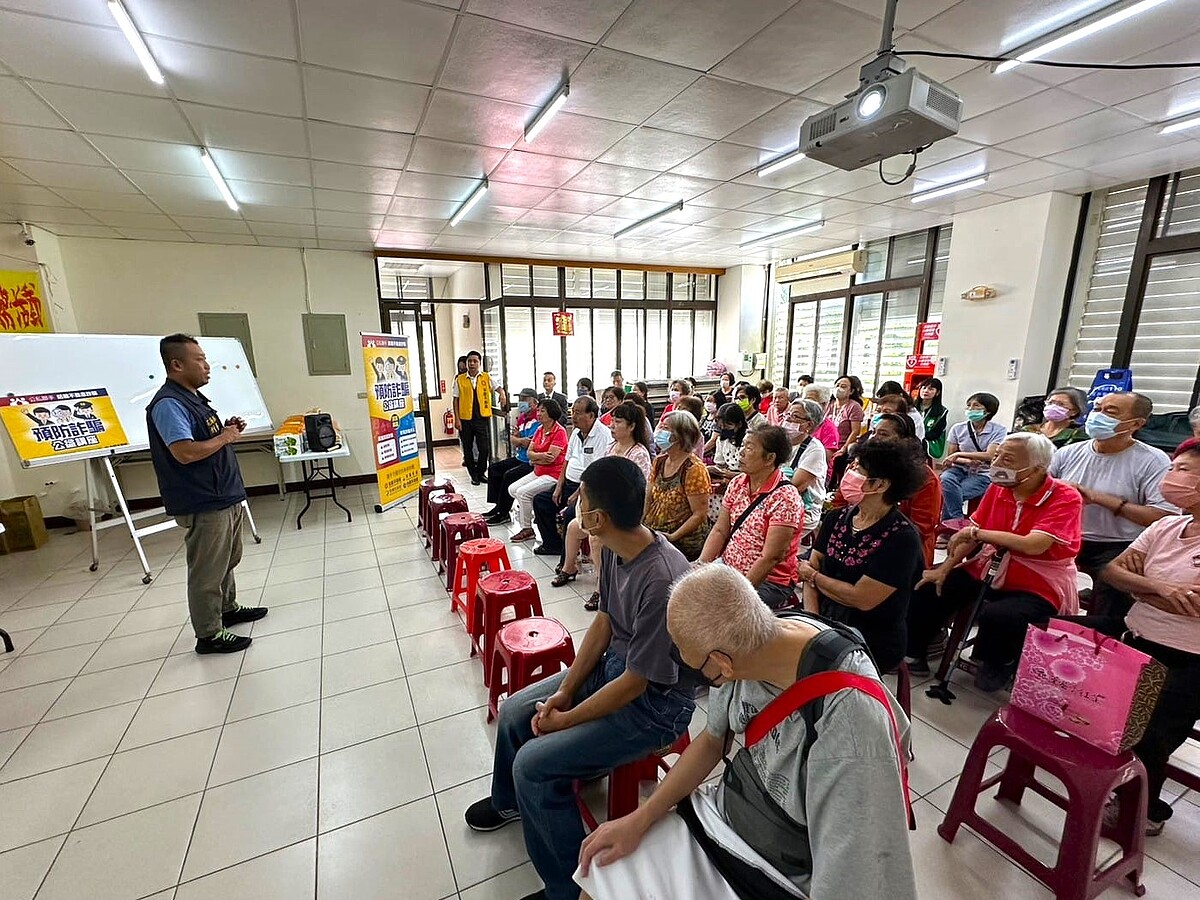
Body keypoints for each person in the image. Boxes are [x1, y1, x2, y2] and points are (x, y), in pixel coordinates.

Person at [576, 564, 917, 900]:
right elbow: (712, 741)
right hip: (727, 813)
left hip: (779, 870)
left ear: (723, 664)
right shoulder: (751, 644)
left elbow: (853, 875)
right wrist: (640, 819)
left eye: (697, 668)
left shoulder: (851, 727)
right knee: (600, 873)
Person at [465, 457, 698, 900]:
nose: (573, 504)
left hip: (655, 707)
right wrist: (567, 689)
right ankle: (510, 802)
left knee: (532, 765)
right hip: (617, 668)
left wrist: (565, 720)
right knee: (517, 710)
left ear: (598, 518)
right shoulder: (612, 548)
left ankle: (569, 890)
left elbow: (636, 683)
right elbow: (605, 621)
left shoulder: (664, 575)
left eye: (581, 499)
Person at [1079, 442, 1200, 836]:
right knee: (1055, 636)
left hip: (1186, 657)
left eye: (1183, 469)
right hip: (1138, 636)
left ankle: (1141, 812)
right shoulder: (1168, 525)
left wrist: (1141, 587)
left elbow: (1194, 606)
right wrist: (1160, 590)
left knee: (1150, 736)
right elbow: (1112, 571)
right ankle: (1101, 768)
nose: (1171, 476)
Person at [909, 432, 1084, 691]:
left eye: (1008, 459)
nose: (997, 462)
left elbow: (1033, 544)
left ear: (1036, 468)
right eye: (998, 455)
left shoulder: (1065, 497)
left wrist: (978, 533)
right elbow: (970, 535)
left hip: (1038, 581)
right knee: (929, 585)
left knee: (1000, 616)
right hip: (990, 566)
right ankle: (917, 650)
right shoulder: (998, 488)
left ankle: (999, 663)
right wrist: (945, 568)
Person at [147, 334, 266, 654]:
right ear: (176, 364)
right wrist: (225, 437)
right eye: (199, 359)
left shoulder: (193, 398)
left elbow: (203, 439)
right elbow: (184, 452)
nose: (206, 365)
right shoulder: (169, 403)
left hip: (222, 494)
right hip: (203, 499)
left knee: (227, 559)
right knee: (207, 570)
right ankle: (209, 634)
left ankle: (227, 609)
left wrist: (226, 430)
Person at [797, 441, 927, 673]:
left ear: (880, 484)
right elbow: (811, 566)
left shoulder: (902, 538)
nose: (849, 473)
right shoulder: (836, 518)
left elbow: (861, 598)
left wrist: (815, 577)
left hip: (868, 637)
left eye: (858, 469)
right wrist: (813, 621)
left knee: (807, 679)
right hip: (822, 619)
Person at [1048, 391, 1174, 618]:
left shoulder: (1153, 461)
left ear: (1135, 424)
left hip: (1118, 544)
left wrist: (1097, 498)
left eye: (1110, 412)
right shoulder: (1067, 453)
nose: (1098, 416)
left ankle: (1099, 640)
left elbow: (1162, 516)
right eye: (1097, 409)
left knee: (1116, 583)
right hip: (1063, 536)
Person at [554, 401, 652, 605]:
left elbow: (638, 493)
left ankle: (602, 586)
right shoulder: (612, 447)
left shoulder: (638, 453)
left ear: (632, 426)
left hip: (623, 512)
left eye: (617, 422)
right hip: (606, 508)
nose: (611, 426)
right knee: (573, 527)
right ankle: (568, 568)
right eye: (612, 421)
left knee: (596, 538)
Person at [700, 425, 803, 610]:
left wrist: (740, 594)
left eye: (749, 448)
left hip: (768, 581)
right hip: (729, 566)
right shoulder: (738, 483)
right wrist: (700, 565)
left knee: (717, 614)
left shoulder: (786, 498)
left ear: (770, 458)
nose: (740, 453)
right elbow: (720, 530)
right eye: (743, 446)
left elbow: (770, 557)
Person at [532, 397, 612, 557]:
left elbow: (595, 473)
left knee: (570, 514)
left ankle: (567, 559)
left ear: (591, 415)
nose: (573, 417)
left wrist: (578, 494)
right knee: (540, 501)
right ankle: (552, 544)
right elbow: (566, 461)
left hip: (588, 489)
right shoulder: (575, 432)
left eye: (578, 413)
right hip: (568, 484)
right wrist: (559, 486)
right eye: (572, 412)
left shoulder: (603, 435)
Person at [644, 411, 712, 561]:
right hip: (655, 535)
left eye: (665, 428)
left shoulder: (694, 469)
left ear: (680, 435)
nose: (659, 431)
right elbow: (648, 497)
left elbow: (699, 514)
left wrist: (672, 537)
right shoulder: (660, 461)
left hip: (682, 543)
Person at [938, 392, 1007, 522]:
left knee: (954, 494)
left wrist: (960, 454)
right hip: (959, 468)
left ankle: (948, 527)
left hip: (984, 472)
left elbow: (990, 455)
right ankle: (957, 521)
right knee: (945, 479)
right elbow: (951, 456)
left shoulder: (999, 430)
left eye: (976, 406)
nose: (970, 409)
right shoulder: (958, 428)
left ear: (988, 410)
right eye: (968, 406)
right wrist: (967, 461)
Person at [509, 399, 568, 543]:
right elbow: (529, 452)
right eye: (539, 410)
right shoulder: (540, 430)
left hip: (554, 474)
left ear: (551, 413)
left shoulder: (559, 431)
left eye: (542, 411)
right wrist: (538, 457)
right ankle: (532, 513)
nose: (538, 413)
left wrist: (535, 458)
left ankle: (527, 529)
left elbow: (552, 459)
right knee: (513, 489)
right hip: (539, 470)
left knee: (523, 493)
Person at [483, 387, 540, 526]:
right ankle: (498, 506)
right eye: (520, 399)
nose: (521, 402)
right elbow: (514, 439)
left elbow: (529, 442)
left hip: (531, 461)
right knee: (494, 469)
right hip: (520, 457)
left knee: (509, 475)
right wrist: (518, 440)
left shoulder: (539, 419)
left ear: (535, 403)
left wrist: (518, 440)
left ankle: (503, 513)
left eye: (525, 400)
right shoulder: (522, 418)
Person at [782, 399, 827, 538]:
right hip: (778, 502)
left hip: (802, 508)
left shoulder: (815, 450)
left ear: (809, 424)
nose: (788, 418)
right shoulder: (782, 443)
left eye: (795, 416)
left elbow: (796, 486)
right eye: (788, 414)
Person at [452, 350, 494, 486]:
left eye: (475, 361)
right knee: (468, 448)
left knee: (484, 448)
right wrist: (457, 419)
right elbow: (455, 400)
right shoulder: (460, 379)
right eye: (469, 361)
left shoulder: (486, 377)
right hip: (465, 420)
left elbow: (498, 388)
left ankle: (481, 472)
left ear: (479, 363)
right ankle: (473, 475)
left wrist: (503, 395)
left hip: (481, 419)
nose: (472, 363)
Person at [826, 375, 865, 468]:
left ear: (851, 391)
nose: (839, 388)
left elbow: (855, 431)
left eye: (843, 386)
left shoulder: (854, 406)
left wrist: (843, 449)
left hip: (842, 445)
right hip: (826, 444)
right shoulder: (829, 404)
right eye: (837, 385)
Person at [707, 401, 746, 493]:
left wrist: (733, 475)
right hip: (727, 477)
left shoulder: (748, 441)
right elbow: (720, 464)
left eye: (728, 426)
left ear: (739, 424)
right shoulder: (722, 440)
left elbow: (755, 471)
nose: (724, 429)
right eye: (721, 426)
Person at [915, 377, 948, 460]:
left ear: (937, 393)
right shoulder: (911, 408)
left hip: (926, 443)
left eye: (931, 389)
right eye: (924, 388)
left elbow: (935, 433)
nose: (926, 391)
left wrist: (918, 437)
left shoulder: (942, 412)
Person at [803, 384, 842, 455]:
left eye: (810, 401)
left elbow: (825, 458)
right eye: (804, 400)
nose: (805, 404)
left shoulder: (829, 428)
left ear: (823, 404)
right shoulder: (798, 420)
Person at [699, 389, 725, 453]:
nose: (709, 404)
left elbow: (713, 440)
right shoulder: (703, 418)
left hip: (711, 454)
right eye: (707, 401)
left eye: (713, 402)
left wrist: (701, 452)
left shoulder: (719, 421)